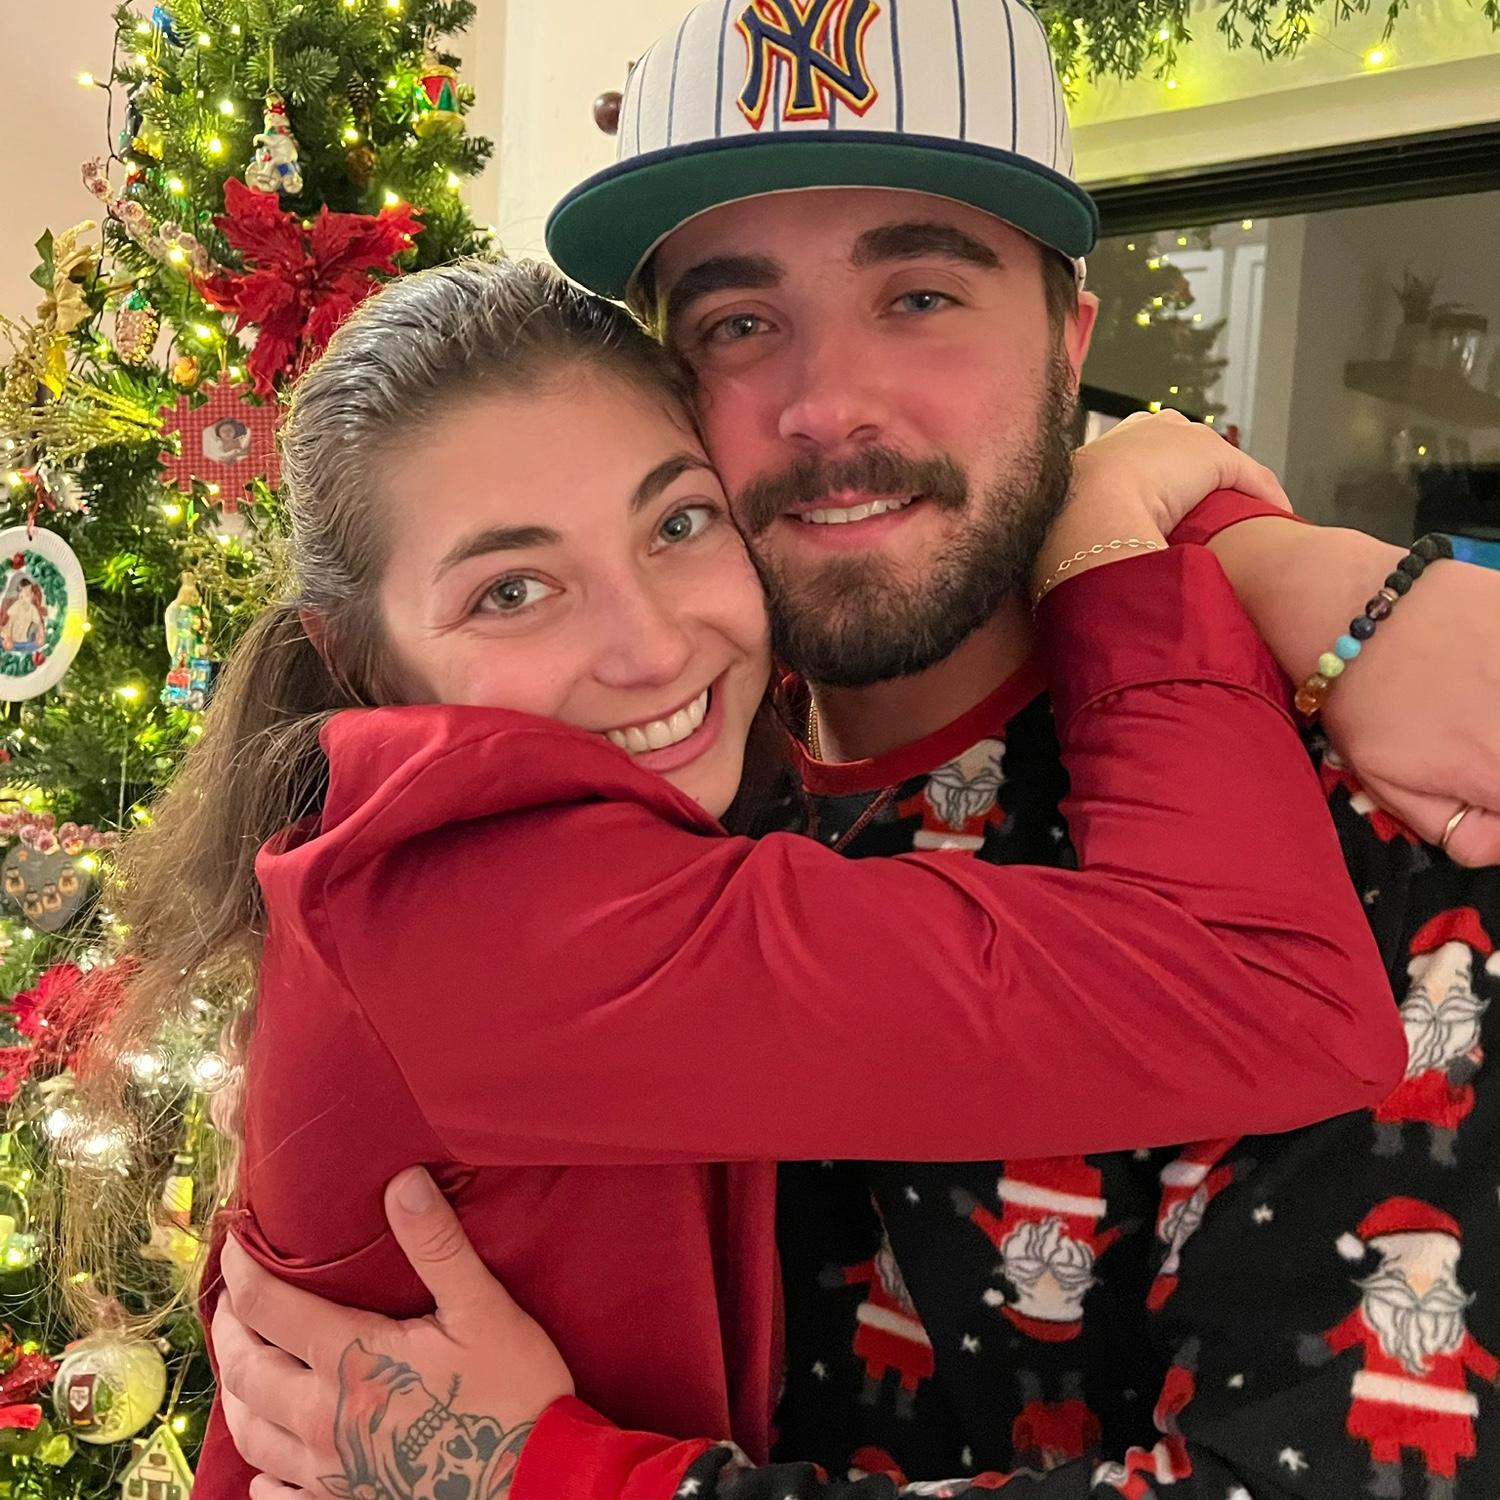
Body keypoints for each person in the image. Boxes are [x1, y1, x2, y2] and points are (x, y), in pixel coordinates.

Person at [213, 1, 1500, 1498]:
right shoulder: (644, 778)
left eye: (922, 295)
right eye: (739, 323)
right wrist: (1154, 503)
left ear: (1070, 341)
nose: (827, 407)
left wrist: (548, 1472)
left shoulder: (1360, 823)